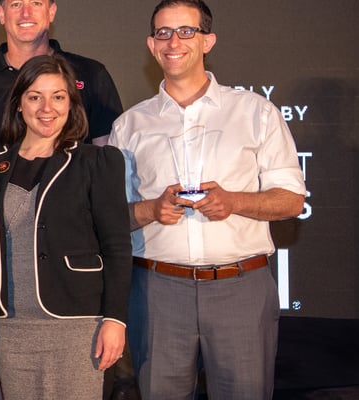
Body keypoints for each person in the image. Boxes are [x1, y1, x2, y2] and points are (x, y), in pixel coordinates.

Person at [110, 1, 306, 398]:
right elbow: (110, 216)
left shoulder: (255, 112)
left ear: (207, 41)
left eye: (186, 31)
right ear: (151, 44)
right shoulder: (130, 125)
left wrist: (235, 201)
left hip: (241, 287)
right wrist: (151, 210)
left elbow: (290, 201)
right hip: (157, 292)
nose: (173, 42)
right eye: (163, 33)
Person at [0, 55, 131, 399]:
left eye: (58, 97)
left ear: (71, 103)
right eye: (35, 97)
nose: (47, 107)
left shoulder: (97, 161)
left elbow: (118, 247)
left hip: (79, 324)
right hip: (13, 325)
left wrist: (115, 320)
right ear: (19, 104)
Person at [0, 0, 123, 158]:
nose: (26, 13)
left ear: (51, 12)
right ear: (1, 14)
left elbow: (107, 157)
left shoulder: (91, 74)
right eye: (16, 4)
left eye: (36, 3)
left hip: (76, 184)